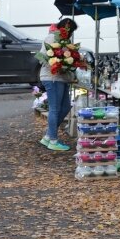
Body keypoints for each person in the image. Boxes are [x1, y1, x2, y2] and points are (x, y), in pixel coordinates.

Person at [39, 18, 78, 151]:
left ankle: (49, 136)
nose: (71, 34)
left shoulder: (65, 41)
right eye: (70, 31)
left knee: (66, 106)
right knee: (54, 109)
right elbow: (44, 58)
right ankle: (53, 140)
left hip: (62, 78)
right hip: (52, 78)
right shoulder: (51, 38)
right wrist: (57, 64)